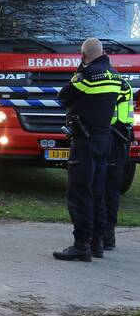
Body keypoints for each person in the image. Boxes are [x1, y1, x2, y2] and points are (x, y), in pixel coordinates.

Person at [54, 38, 123, 261]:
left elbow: (62, 97)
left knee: (80, 192)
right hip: (105, 140)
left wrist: (80, 70)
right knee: (98, 192)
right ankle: (97, 243)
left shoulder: (87, 76)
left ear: (83, 55)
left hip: (85, 140)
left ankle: (81, 245)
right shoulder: (115, 76)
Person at [99, 76, 134, 250]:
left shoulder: (106, 84)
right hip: (121, 139)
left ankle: (102, 235)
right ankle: (108, 236)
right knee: (112, 190)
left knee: (102, 188)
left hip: (110, 137)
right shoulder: (124, 83)